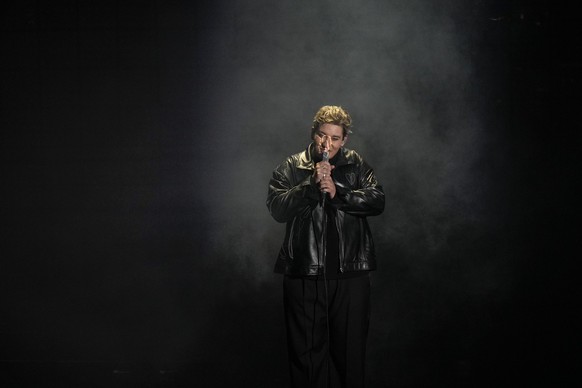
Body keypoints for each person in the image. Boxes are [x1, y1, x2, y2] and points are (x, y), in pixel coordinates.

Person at [267, 105, 385, 387]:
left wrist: (338, 192)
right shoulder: (292, 166)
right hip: (304, 274)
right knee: (306, 359)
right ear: (313, 134)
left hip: (351, 276)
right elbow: (277, 209)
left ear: (344, 140)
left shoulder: (356, 164)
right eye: (322, 136)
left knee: (350, 357)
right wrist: (310, 185)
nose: (326, 144)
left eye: (334, 138)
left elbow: (377, 200)